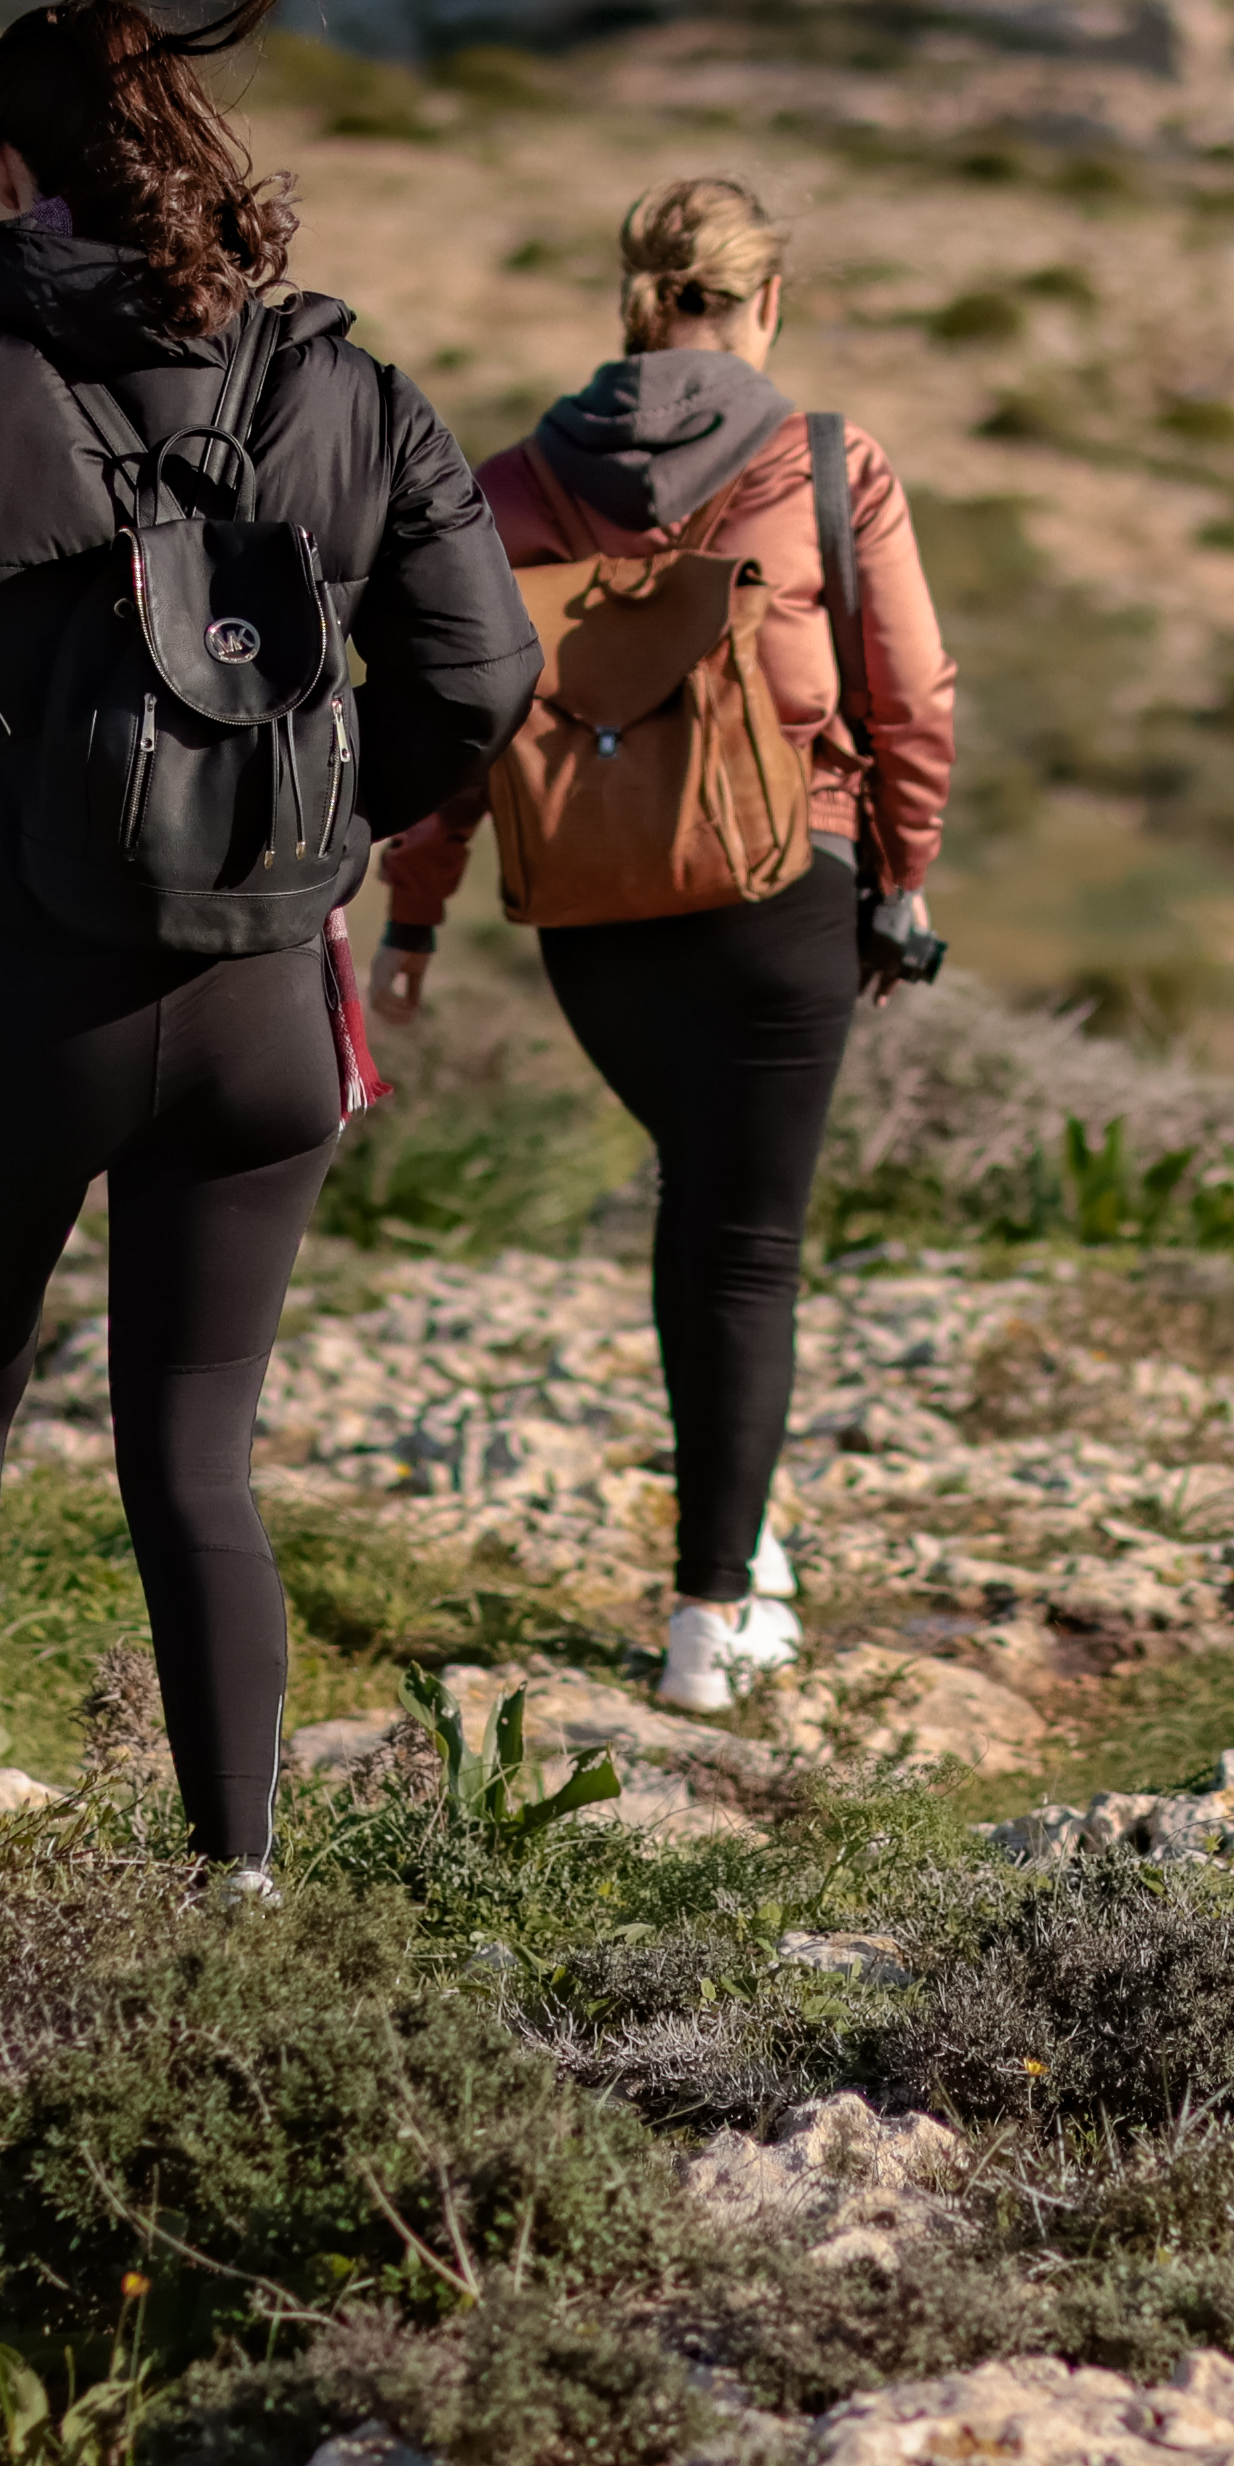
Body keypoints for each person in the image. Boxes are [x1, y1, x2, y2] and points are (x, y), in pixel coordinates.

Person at [0, 0, 528, 1874]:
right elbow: (484, 683)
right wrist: (323, 822)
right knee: (199, 1454)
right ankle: (242, 1876)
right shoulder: (353, 387)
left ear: (13, 170)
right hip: (271, 991)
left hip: (16, 997)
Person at [373, 172, 955, 1719]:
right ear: (768, 304)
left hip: (593, 915)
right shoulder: (829, 461)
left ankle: (741, 1552)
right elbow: (911, 700)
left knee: (702, 1212)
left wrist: (415, 915)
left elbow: (451, 720)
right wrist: (902, 883)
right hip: (784, 898)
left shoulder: (507, 488)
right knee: (742, 1241)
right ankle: (712, 1615)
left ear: (630, 303)